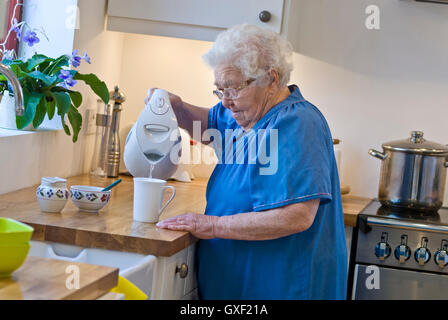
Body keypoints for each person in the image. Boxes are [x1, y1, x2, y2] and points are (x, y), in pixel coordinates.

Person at [148, 24, 347, 300]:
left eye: (233, 89)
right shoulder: (248, 113)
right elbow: (211, 127)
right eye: (219, 91)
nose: (226, 101)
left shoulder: (297, 122)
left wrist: (214, 225)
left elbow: (297, 216)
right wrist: (176, 108)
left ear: (272, 79)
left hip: (284, 288)